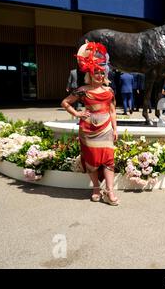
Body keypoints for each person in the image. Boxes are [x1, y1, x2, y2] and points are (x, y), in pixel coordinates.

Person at [61, 41, 119, 206]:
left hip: (106, 128)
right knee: (92, 161)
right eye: (96, 73)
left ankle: (109, 191)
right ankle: (95, 188)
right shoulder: (82, 90)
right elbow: (65, 103)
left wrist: (115, 129)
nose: (99, 76)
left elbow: (113, 111)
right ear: (90, 74)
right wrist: (77, 113)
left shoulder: (109, 91)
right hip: (87, 130)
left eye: (102, 73)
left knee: (108, 160)